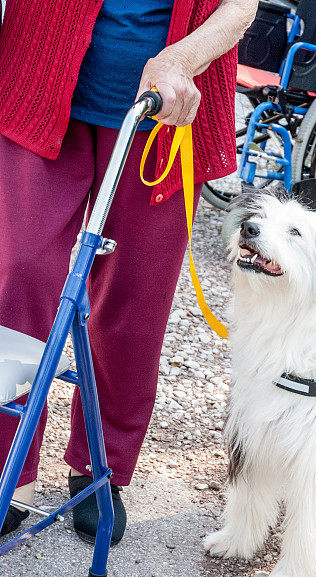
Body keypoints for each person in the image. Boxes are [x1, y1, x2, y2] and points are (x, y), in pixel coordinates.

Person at [0, 0, 258, 545]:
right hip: (40, 89)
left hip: (164, 116)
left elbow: (240, 8)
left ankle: (102, 468)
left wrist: (181, 60)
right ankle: (7, 463)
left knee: (134, 300)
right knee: (19, 279)